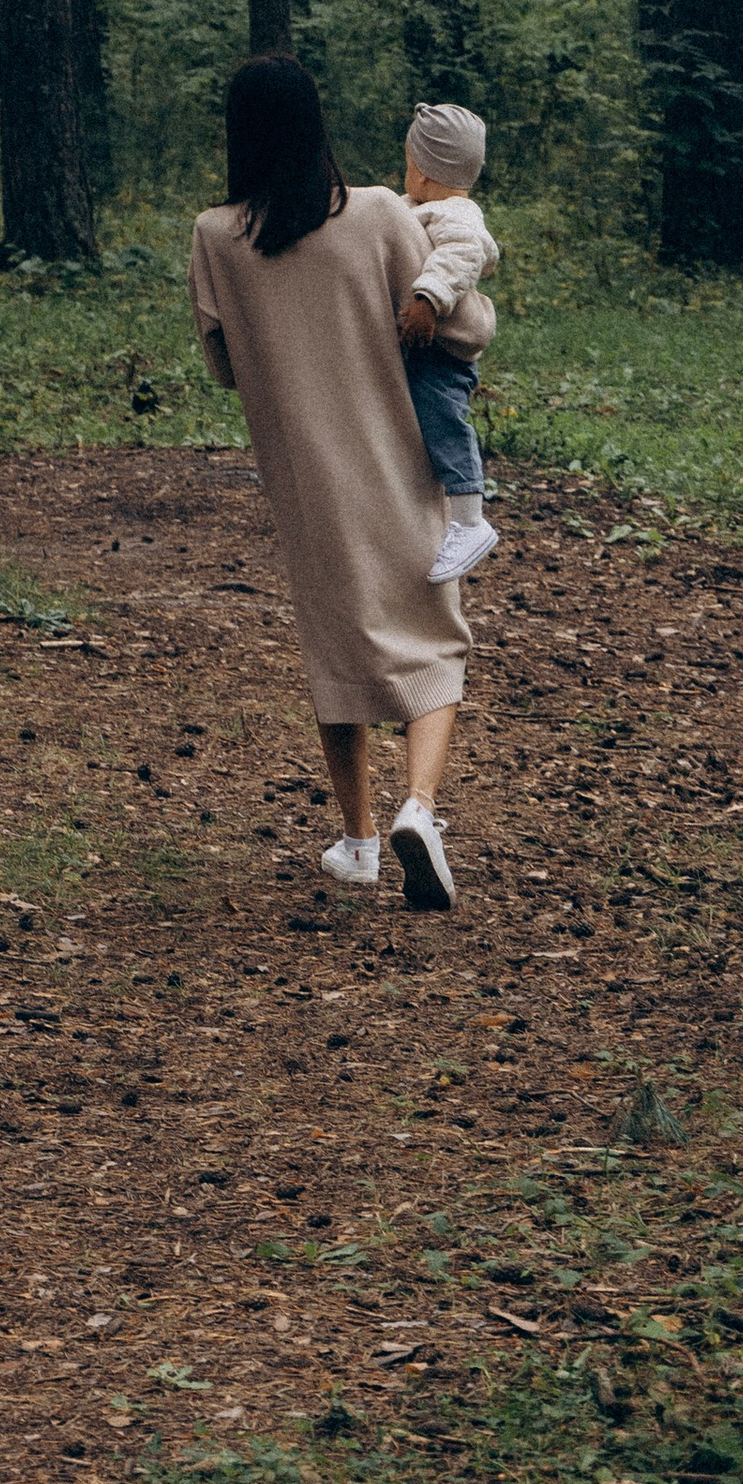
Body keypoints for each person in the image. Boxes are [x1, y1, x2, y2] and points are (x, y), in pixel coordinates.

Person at [189, 55, 469, 911]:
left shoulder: (215, 237)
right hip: (400, 463)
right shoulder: (383, 213)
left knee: (336, 646)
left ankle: (356, 841)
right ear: (317, 125)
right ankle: (418, 809)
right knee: (435, 637)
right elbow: (447, 318)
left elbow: (225, 368)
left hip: (306, 482)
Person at [396, 101, 499, 592]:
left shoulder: (456, 213)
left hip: (442, 356)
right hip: (429, 355)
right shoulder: (425, 207)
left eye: (408, 163)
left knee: (444, 422)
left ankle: (469, 520)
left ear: (424, 168)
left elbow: (462, 255)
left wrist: (428, 299)